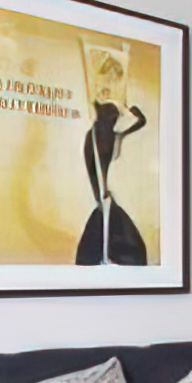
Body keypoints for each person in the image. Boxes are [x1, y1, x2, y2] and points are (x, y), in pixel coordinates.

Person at [75, 101, 148, 265]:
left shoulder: (102, 136)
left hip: (105, 197)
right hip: (105, 198)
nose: (117, 121)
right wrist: (132, 111)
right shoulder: (104, 138)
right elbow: (140, 121)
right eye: (115, 118)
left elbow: (140, 123)